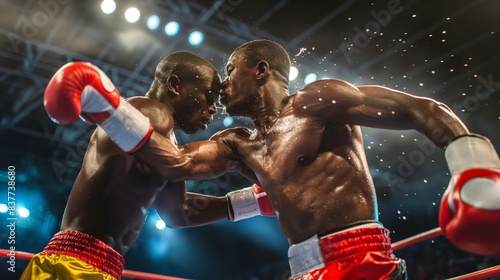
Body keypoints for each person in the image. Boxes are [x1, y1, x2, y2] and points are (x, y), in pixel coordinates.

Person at [39, 40, 500, 279]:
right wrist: (105, 107)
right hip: (300, 268)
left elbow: (423, 109)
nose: (222, 88)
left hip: (360, 260)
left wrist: (476, 169)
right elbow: (175, 165)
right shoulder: (239, 142)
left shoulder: (319, 100)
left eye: (230, 72)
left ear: (260, 72)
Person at [21, 52, 274, 280]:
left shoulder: (160, 144)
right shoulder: (151, 111)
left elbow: (178, 211)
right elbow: (180, 165)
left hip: (95, 266)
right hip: (74, 264)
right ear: (175, 85)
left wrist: (250, 203)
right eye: (207, 97)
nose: (211, 110)